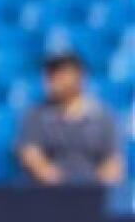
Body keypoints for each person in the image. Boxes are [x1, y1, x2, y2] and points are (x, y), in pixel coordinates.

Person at [17, 52, 124, 186]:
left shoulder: (104, 117)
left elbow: (113, 162)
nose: (53, 81)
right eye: (50, 75)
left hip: (92, 194)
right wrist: (60, 185)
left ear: (79, 77)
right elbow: (30, 154)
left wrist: (92, 188)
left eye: (60, 75)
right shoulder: (35, 115)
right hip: (48, 193)